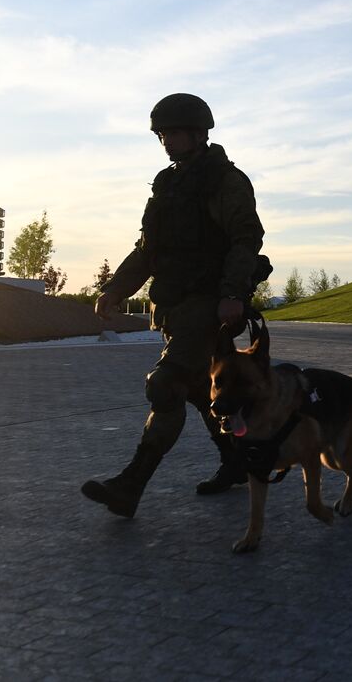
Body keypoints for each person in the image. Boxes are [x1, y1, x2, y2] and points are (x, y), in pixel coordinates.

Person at [82, 93, 271, 517]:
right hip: (174, 306)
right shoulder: (168, 184)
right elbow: (148, 249)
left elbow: (246, 240)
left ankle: (130, 487)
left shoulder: (226, 181)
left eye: (175, 133)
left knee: (166, 384)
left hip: (209, 306)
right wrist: (116, 289)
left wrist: (231, 294)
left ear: (199, 133)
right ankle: (239, 463)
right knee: (201, 392)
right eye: (162, 134)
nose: (167, 141)